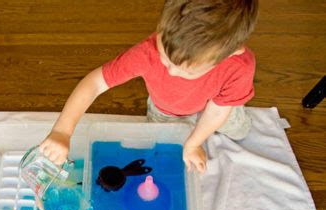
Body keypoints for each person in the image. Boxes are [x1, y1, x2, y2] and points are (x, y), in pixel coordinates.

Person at [39, 0, 259, 174]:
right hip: (165, 109)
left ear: (231, 53)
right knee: (160, 146)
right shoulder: (147, 52)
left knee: (241, 131)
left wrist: (193, 144)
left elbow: (219, 109)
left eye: (186, 71)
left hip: (218, 104)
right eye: (165, 60)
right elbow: (95, 83)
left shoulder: (240, 66)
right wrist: (62, 130)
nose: (171, 72)